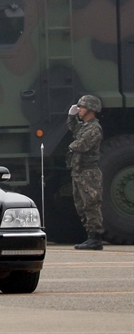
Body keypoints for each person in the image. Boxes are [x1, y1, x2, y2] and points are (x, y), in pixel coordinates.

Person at [67, 95, 104, 250]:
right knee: (81, 205)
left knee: (91, 204)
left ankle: (95, 238)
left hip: (89, 173)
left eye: (82, 107)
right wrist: (71, 117)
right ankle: (90, 236)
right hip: (79, 172)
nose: (80, 110)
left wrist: (71, 146)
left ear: (91, 109)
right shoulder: (85, 126)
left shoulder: (94, 128)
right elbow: (75, 129)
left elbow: (81, 144)